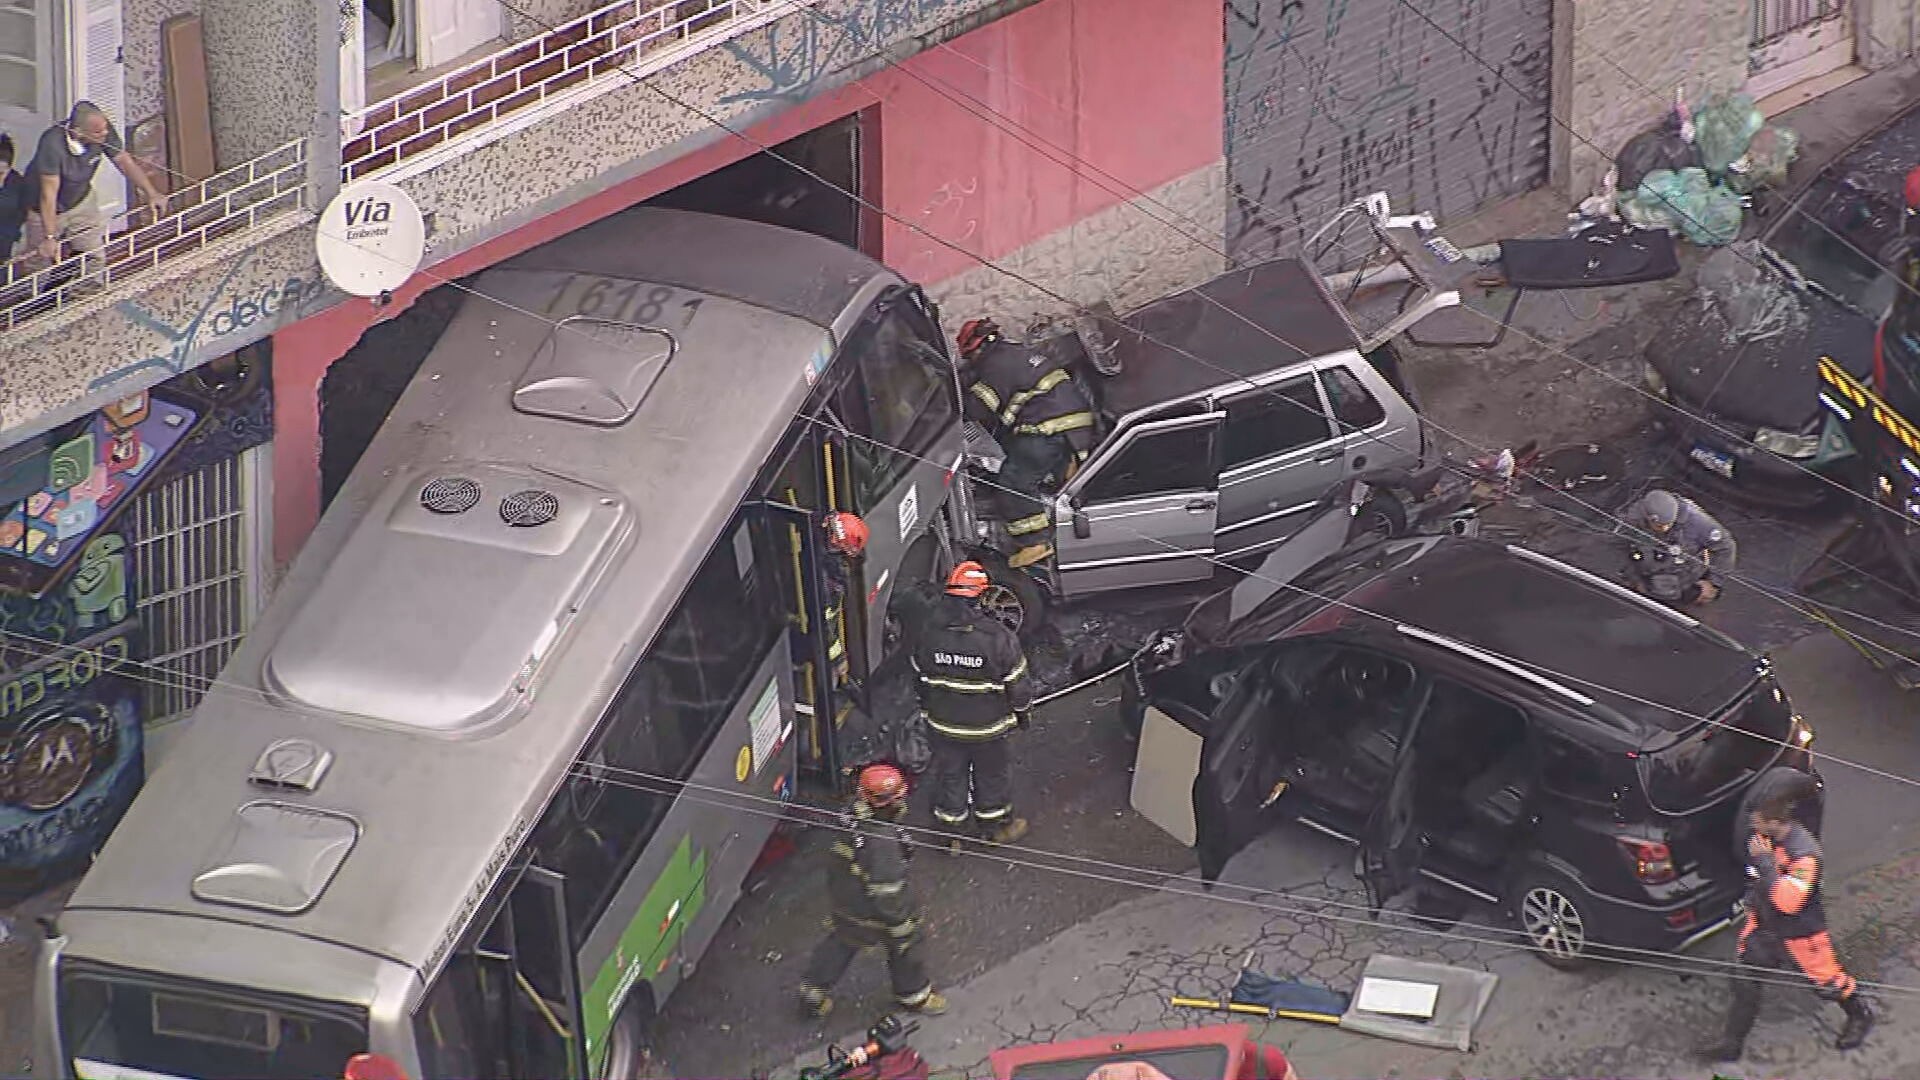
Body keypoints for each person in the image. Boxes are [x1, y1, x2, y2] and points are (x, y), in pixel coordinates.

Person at [1699, 774, 1875, 1061]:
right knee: (1745, 981)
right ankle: (1731, 1045)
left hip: (1801, 935)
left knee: (1828, 983)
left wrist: (1765, 863)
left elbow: (1788, 902)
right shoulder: (1765, 839)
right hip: (1765, 928)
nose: (1751, 825)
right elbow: (1753, 877)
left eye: (1756, 820)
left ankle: (1860, 1014)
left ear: (1774, 821)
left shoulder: (1805, 854)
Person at [798, 763, 948, 1019]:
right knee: (907, 947)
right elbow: (888, 891)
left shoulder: (850, 818)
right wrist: (901, 924)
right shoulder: (882, 842)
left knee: (841, 942)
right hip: (873, 909)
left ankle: (812, 991)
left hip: (846, 899)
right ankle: (914, 995)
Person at [956, 318, 1099, 567]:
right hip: (1071, 422)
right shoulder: (1014, 352)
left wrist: (957, 402)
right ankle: (1063, 465)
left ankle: (1034, 542)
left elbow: (979, 409)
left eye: (970, 357)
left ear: (978, 348)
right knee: (1025, 457)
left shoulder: (995, 365)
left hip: (1047, 427)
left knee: (1013, 483)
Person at [910, 560, 1033, 845]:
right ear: (981, 598)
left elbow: (919, 678)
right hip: (988, 729)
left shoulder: (929, 633)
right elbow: (1019, 686)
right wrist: (1023, 713)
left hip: (943, 725)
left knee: (950, 776)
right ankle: (994, 829)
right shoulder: (998, 638)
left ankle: (951, 837)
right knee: (992, 775)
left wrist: (927, 710)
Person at [26, 101, 166, 274]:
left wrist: (151, 193)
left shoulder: (103, 130)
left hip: (82, 201)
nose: (105, 133)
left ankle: (92, 287)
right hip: (45, 210)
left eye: (105, 128)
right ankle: (33, 290)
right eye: (98, 132)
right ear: (78, 132)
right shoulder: (52, 144)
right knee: (40, 261)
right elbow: (49, 194)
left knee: (93, 255)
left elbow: (123, 161)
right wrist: (49, 236)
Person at [1627, 488, 1735, 604]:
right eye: (1659, 525)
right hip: (1646, 572)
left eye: (1668, 524)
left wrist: (1713, 582)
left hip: (1684, 578)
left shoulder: (1699, 523)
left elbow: (1726, 546)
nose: (1664, 529)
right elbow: (1620, 542)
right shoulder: (1634, 515)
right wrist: (1633, 579)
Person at [0, 134, 28, 263]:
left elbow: (22, 212)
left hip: (6, 240)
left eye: (1, 173)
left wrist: (15, 236)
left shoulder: (18, 184)